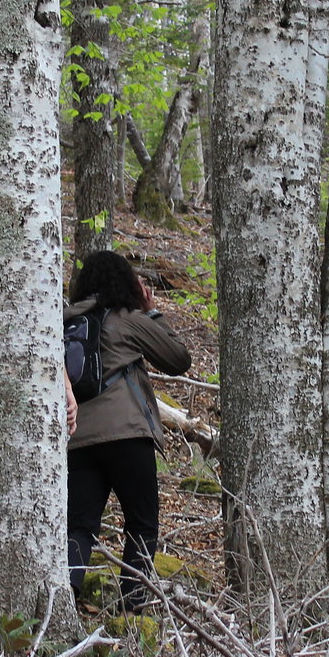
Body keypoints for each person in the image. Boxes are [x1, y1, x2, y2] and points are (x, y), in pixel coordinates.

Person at [65, 250, 190, 610]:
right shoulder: (127, 320)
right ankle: (133, 606)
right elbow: (178, 358)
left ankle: (67, 596)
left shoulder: (64, 321)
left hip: (78, 439)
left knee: (80, 525)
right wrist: (152, 311)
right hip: (128, 436)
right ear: (126, 283)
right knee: (141, 523)